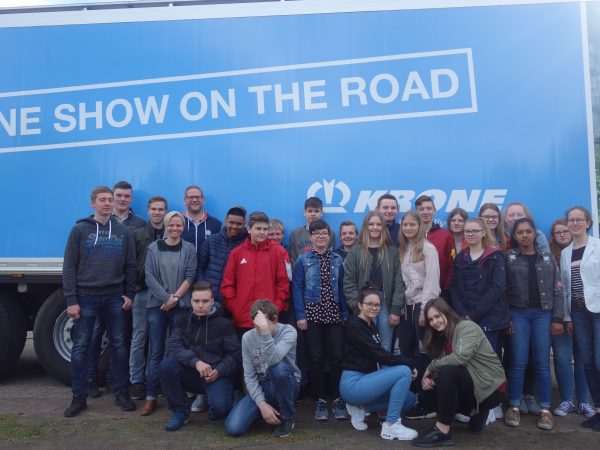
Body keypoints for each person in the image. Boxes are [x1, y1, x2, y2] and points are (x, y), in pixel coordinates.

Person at [63, 186, 137, 417]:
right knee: (81, 346)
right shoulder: (79, 230)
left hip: (115, 296)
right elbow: (69, 266)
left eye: (110, 199)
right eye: (102, 199)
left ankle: (121, 392)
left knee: (119, 345)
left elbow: (131, 266)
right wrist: (71, 299)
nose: (107, 203)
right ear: (92, 203)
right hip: (86, 297)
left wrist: (129, 294)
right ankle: (79, 396)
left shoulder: (123, 231)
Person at [411, 298, 506, 447]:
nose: (434, 322)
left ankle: (443, 431)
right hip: (473, 384)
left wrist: (431, 367)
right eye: (431, 320)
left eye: (437, 316)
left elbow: (459, 359)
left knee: (448, 372)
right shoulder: (443, 336)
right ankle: (475, 413)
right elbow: (445, 365)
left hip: (491, 389)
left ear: (447, 312)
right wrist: (430, 379)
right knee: (431, 390)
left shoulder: (467, 327)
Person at [86, 180, 146, 396]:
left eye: (126, 196)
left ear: (131, 199)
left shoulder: (140, 223)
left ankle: (114, 380)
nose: (122, 199)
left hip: (125, 291)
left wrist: (131, 289)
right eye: (118, 195)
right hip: (100, 289)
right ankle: (90, 379)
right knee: (95, 335)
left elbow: (137, 260)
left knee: (120, 337)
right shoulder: (98, 222)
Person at [503, 218, 563, 430]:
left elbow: (557, 289)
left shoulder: (547, 257)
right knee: (519, 360)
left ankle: (545, 409)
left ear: (535, 234)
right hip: (517, 314)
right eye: (520, 232)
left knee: (542, 362)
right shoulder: (508, 258)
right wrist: (507, 318)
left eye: (529, 231)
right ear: (515, 236)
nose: (525, 235)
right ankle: (514, 405)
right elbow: (503, 290)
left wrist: (557, 318)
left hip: (543, 315)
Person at [158, 281, 241, 431]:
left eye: (205, 301)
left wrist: (219, 371)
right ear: (191, 301)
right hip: (192, 372)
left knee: (220, 411)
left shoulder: (225, 324)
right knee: (166, 366)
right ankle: (180, 412)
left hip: (216, 375)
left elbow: (235, 356)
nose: (200, 305)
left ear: (212, 301)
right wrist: (196, 362)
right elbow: (175, 347)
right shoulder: (183, 320)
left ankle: (226, 398)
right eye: (196, 301)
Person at [339, 284, 418, 440]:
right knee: (404, 371)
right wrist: (408, 363)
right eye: (370, 304)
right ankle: (391, 426)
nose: (374, 308)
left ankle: (361, 408)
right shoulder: (355, 325)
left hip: (365, 380)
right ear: (360, 305)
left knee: (408, 399)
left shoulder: (370, 325)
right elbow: (380, 355)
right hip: (353, 384)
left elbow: (379, 356)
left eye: (377, 305)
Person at [292, 219, 350, 421]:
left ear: (329, 236)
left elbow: (342, 288)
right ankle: (320, 400)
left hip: (334, 315)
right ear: (311, 237)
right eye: (316, 234)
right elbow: (297, 288)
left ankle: (337, 398)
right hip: (312, 315)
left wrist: (345, 313)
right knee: (315, 359)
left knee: (337, 358)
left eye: (324, 233)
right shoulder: (303, 260)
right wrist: (300, 315)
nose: (320, 237)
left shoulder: (337, 259)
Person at [141, 211, 197, 416]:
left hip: (180, 307)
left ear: (183, 227)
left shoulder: (189, 248)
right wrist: (166, 298)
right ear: (165, 226)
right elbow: (149, 277)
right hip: (157, 306)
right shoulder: (153, 248)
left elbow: (190, 276)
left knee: (177, 351)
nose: (175, 228)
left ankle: (176, 395)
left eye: (178, 225)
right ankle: (151, 396)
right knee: (155, 350)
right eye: (171, 225)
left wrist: (174, 299)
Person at [224, 300, 300, 438]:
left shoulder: (289, 331)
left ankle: (288, 417)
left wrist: (265, 332)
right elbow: (249, 376)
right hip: (262, 386)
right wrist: (262, 405)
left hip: (287, 385)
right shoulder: (247, 338)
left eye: (263, 325)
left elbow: (273, 359)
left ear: (275, 319)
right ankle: (264, 410)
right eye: (256, 325)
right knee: (233, 428)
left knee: (278, 368)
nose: (259, 330)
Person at [548, 219, 594, 418]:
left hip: (584, 312)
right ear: (553, 236)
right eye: (557, 232)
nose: (562, 234)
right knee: (563, 358)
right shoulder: (549, 256)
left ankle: (583, 401)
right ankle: (567, 399)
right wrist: (562, 317)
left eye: (565, 231)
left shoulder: (587, 252)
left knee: (583, 358)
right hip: (559, 315)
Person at [560, 206, 600, 430]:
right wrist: (567, 317)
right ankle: (598, 411)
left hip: (598, 310)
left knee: (599, 360)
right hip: (577, 311)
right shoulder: (566, 253)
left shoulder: (598, 246)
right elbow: (566, 288)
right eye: (571, 220)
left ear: (588, 222)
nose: (574, 223)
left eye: (579, 219)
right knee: (588, 363)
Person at [343, 211, 405, 352]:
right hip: (364, 304)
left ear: (383, 227)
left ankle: (383, 368)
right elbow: (348, 282)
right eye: (371, 224)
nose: (375, 227)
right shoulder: (356, 251)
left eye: (378, 224)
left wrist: (395, 309)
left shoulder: (391, 250)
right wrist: (357, 307)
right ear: (365, 226)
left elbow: (399, 281)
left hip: (386, 304)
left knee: (385, 347)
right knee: (366, 347)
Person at [221, 211, 290, 338]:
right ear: (249, 229)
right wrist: (235, 307)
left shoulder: (278, 252)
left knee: (268, 350)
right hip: (242, 318)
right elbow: (228, 284)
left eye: (265, 229)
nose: (262, 232)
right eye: (258, 228)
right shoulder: (236, 253)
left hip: (268, 319)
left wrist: (275, 308)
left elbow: (283, 284)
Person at [450, 218, 509, 355]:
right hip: (465, 318)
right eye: (467, 231)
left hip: (489, 319)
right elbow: (453, 287)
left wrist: (474, 315)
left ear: (483, 233)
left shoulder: (495, 257)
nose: (470, 234)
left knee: (489, 360)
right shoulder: (460, 258)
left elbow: (497, 288)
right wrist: (463, 314)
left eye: (475, 231)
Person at [129, 196, 168, 401]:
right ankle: (136, 380)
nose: (157, 213)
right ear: (147, 211)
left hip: (164, 295)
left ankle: (153, 379)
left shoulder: (171, 234)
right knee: (139, 337)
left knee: (159, 340)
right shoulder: (138, 234)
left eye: (161, 209)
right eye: (154, 209)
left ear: (165, 212)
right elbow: (130, 264)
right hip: (142, 293)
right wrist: (131, 290)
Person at [397, 210, 440, 360]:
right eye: (405, 225)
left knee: (426, 348)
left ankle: (431, 374)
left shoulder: (428, 249)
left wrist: (424, 309)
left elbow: (432, 281)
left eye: (412, 224)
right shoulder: (402, 249)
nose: (408, 228)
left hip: (422, 303)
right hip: (406, 305)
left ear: (419, 226)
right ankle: (412, 375)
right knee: (406, 347)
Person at [197, 206, 248, 303]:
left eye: (238, 224)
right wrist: (203, 289)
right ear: (225, 221)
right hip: (208, 298)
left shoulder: (247, 244)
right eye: (231, 222)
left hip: (232, 300)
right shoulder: (211, 241)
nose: (234, 226)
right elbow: (200, 267)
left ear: (244, 223)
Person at [415, 195, 454, 298]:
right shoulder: (410, 235)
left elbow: (451, 264)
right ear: (416, 211)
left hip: (440, 292)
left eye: (429, 208)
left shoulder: (445, 236)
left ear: (434, 210)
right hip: (415, 293)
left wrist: (446, 288)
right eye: (421, 209)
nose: (425, 212)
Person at [289, 197, 335, 266]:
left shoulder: (329, 233)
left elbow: (331, 257)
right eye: (310, 211)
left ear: (321, 213)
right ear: (304, 212)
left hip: (323, 270)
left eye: (316, 211)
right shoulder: (295, 234)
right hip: (301, 271)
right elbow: (293, 259)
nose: (313, 214)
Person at [181, 185, 222, 260]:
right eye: (191, 197)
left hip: (206, 267)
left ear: (203, 200)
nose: (194, 200)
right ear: (185, 200)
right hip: (184, 267)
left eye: (197, 197)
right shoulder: (177, 223)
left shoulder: (216, 225)